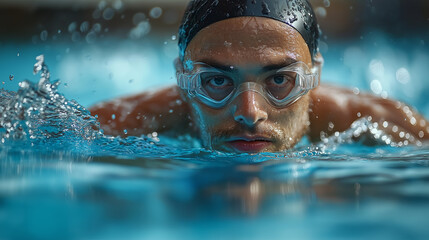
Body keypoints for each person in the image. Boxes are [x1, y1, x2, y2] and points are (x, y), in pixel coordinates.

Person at [90, 0, 429, 153]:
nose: (250, 112)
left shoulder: (385, 124)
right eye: (217, 81)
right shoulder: (117, 124)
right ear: (183, 79)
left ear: (315, 76)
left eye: (280, 80)